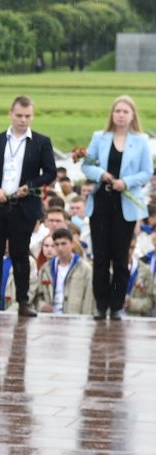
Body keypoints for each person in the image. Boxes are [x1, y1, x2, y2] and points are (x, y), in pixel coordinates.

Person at [0, 96, 57, 317]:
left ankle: (23, 300)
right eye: (19, 116)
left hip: (23, 205)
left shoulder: (41, 142)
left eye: (27, 116)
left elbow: (50, 172)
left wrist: (29, 187)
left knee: (20, 254)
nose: (23, 120)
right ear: (10, 114)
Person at [80, 95, 153, 320]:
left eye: (125, 112)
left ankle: (117, 304)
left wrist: (127, 182)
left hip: (125, 203)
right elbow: (87, 165)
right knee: (100, 256)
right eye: (117, 111)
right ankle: (101, 304)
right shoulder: (99, 138)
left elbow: (146, 172)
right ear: (112, 114)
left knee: (120, 257)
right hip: (102, 199)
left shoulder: (140, 141)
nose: (120, 115)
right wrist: (101, 174)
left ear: (132, 116)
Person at [30, 228, 94, 316]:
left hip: (74, 319)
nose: (60, 248)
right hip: (50, 319)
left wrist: (85, 320)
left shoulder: (85, 269)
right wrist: (42, 306)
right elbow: (37, 296)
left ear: (72, 244)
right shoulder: (46, 268)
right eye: (56, 244)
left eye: (64, 244)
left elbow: (89, 299)